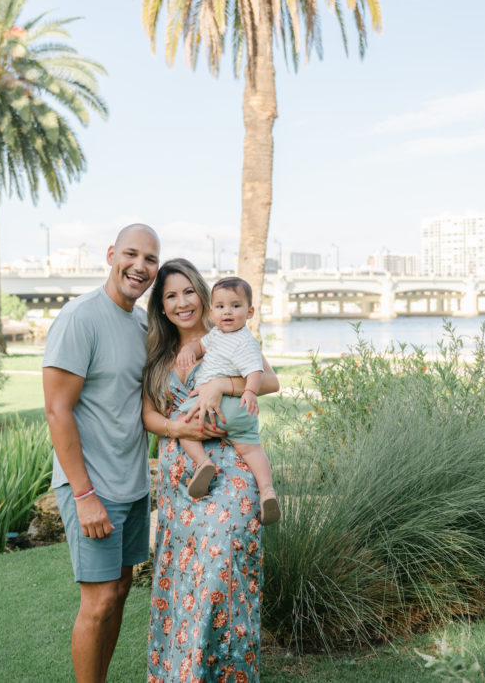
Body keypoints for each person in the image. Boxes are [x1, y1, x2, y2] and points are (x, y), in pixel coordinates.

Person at [142, 258, 280, 682]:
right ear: (162, 307)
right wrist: (176, 426)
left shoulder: (227, 336)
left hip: (231, 467)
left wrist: (221, 384)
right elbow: (148, 414)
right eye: (170, 296)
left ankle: (225, 674)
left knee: (223, 565)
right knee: (185, 577)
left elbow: (270, 382)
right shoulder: (157, 354)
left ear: (203, 295)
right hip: (180, 475)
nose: (182, 303)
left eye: (188, 292)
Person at [42, 223, 160, 683]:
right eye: (131, 254)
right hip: (92, 486)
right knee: (98, 600)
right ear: (112, 254)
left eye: (150, 259)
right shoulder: (80, 317)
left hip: (132, 485)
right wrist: (84, 493)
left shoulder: (141, 322)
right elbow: (57, 411)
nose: (140, 266)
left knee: (121, 590)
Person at [174, 276, 280, 525]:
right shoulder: (221, 336)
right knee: (252, 449)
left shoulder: (243, 341)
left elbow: (258, 373)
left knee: (183, 425)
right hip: (239, 411)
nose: (227, 312)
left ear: (250, 311)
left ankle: (203, 463)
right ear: (212, 311)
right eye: (220, 307)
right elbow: (200, 346)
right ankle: (267, 491)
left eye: (235, 306)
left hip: (210, 405)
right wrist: (190, 349)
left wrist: (250, 391)